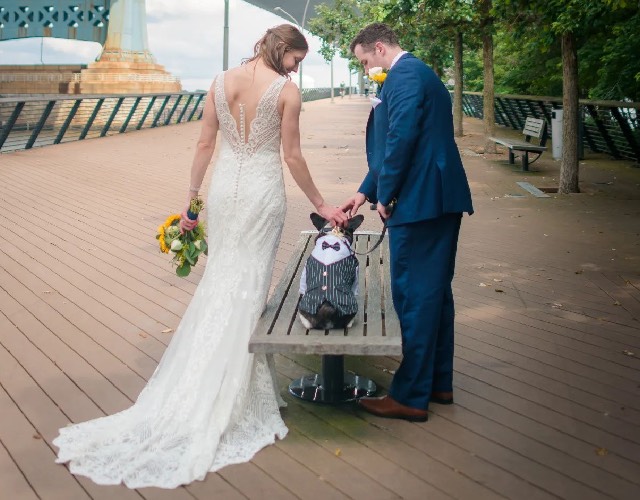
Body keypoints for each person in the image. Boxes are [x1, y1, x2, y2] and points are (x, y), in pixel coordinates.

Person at [53, 24, 347, 489]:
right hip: (262, 195)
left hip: (225, 195)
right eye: (297, 58)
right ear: (282, 49)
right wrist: (321, 204)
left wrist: (192, 204)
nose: (298, 68)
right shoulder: (288, 94)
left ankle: (227, 382)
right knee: (249, 287)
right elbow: (291, 157)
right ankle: (233, 392)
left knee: (224, 283)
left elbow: (205, 145)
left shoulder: (216, 82)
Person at [340, 23, 474, 422]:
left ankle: (410, 397)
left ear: (379, 48)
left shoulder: (406, 76)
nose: (366, 70)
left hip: (420, 200)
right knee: (434, 294)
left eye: (365, 61)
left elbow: (400, 140)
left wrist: (387, 194)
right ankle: (437, 382)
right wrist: (365, 191)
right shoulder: (412, 74)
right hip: (431, 196)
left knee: (414, 296)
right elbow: (390, 147)